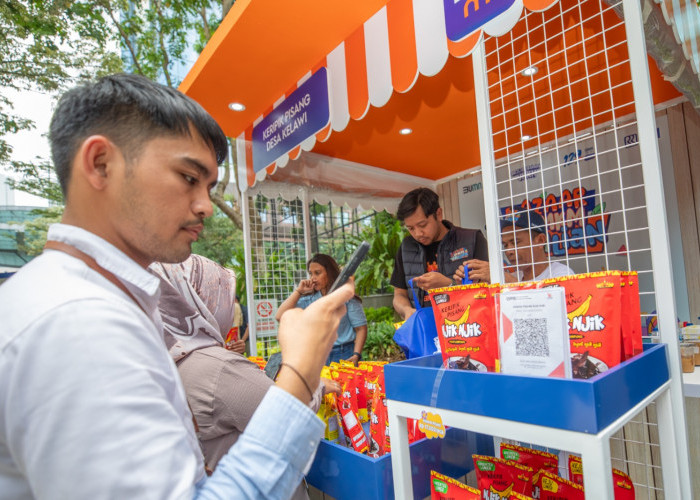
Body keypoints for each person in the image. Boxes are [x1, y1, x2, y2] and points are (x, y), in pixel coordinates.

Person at [0, 73, 354, 499]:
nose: (205, 206)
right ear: (100, 164)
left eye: (208, 187)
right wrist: (301, 368)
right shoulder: (79, 323)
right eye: (189, 177)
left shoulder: (86, 302)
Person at [152, 254, 337, 500]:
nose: (228, 310)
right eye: (222, 299)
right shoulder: (219, 368)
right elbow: (285, 416)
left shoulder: (166, 362)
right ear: (200, 301)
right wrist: (316, 384)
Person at [390, 187, 489, 320]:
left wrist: (449, 285)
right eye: (411, 228)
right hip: (424, 330)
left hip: (466, 328)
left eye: (423, 225)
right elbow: (399, 294)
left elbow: (486, 290)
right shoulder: (406, 247)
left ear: (439, 214)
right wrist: (406, 310)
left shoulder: (472, 239)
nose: (418, 234)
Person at [276, 254, 367, 366]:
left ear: (330, 273)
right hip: (318, 356)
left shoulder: (346, 297)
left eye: (317, 273)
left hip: (344, 353)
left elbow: (361, 328)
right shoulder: (309, 299)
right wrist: (298, 291)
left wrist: (356, 355)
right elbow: (280, 316)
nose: (313, 278)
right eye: (310, 273)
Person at [453, 210, 574, 283]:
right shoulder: (514, 277)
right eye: (505, 245)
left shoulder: (562, 274)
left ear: (540, 241)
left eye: (516, 242)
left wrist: (503, 278)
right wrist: (470, 283)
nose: (509, 251)